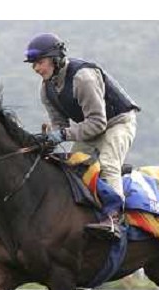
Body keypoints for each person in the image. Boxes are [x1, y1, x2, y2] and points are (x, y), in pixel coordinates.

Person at [24, 32, 140, 240]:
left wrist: (61, 135)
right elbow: (60, 125)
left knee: (106, 165)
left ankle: (115, 219)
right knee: (74, 167)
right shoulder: (45, 89)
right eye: (33, 64)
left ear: (56, 59)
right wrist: (49, 139)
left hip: (118, 122)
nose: (36, 69)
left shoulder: (82, 77)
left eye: (39, 62)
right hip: (91, 127)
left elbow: (98, 123)